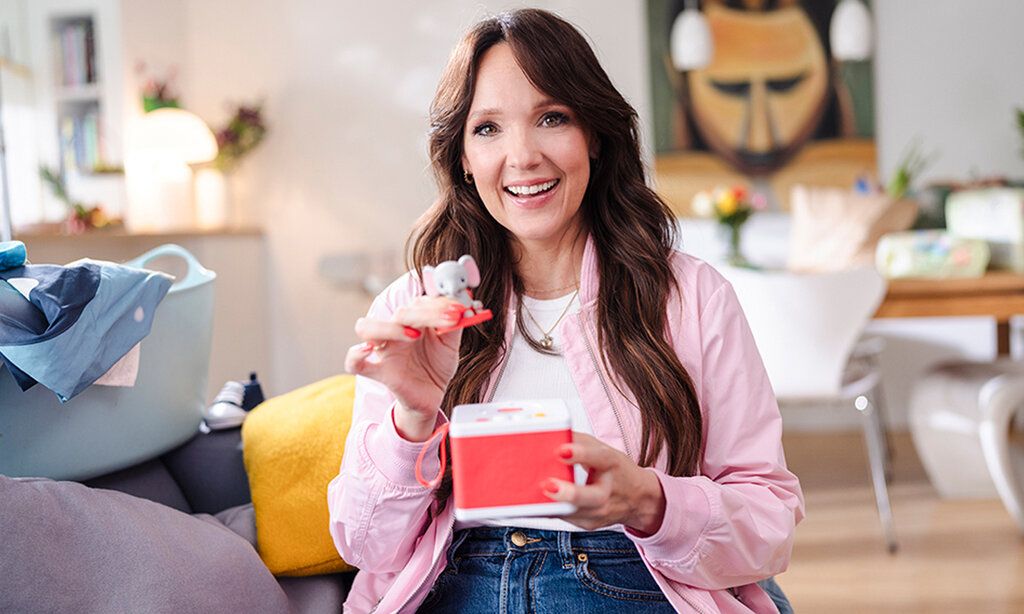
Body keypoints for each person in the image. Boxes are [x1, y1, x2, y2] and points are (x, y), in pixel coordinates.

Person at [328, 8, 803, 613]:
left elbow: (769, 520)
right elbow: (365, 546)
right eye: (488, 128)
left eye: (552, 118)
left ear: (596, 137)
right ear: (464, 160)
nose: (523, 156)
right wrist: (413, 418)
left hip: (633, 580)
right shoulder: (412, 308)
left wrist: (649, 501)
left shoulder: (692, 297)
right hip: (460, 584)